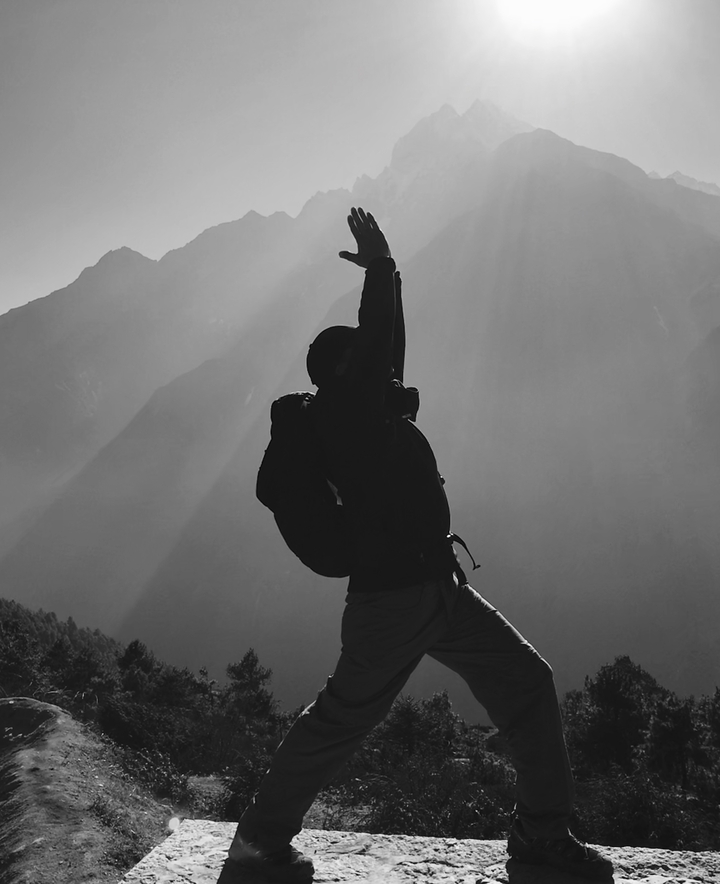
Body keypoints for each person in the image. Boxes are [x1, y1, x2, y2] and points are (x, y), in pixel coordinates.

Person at [227, 208, 613, 882]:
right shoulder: (344, 413)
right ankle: (260, 842)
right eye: (362, 357)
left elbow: (387, 345)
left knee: (528, 683)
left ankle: (542, 835)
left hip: (441, 589)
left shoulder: (366, 410)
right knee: (337, 722)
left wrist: (391, 276)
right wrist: (378, 270)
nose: (381, 364)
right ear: (341, 370)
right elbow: (379, 342)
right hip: (394, 602)